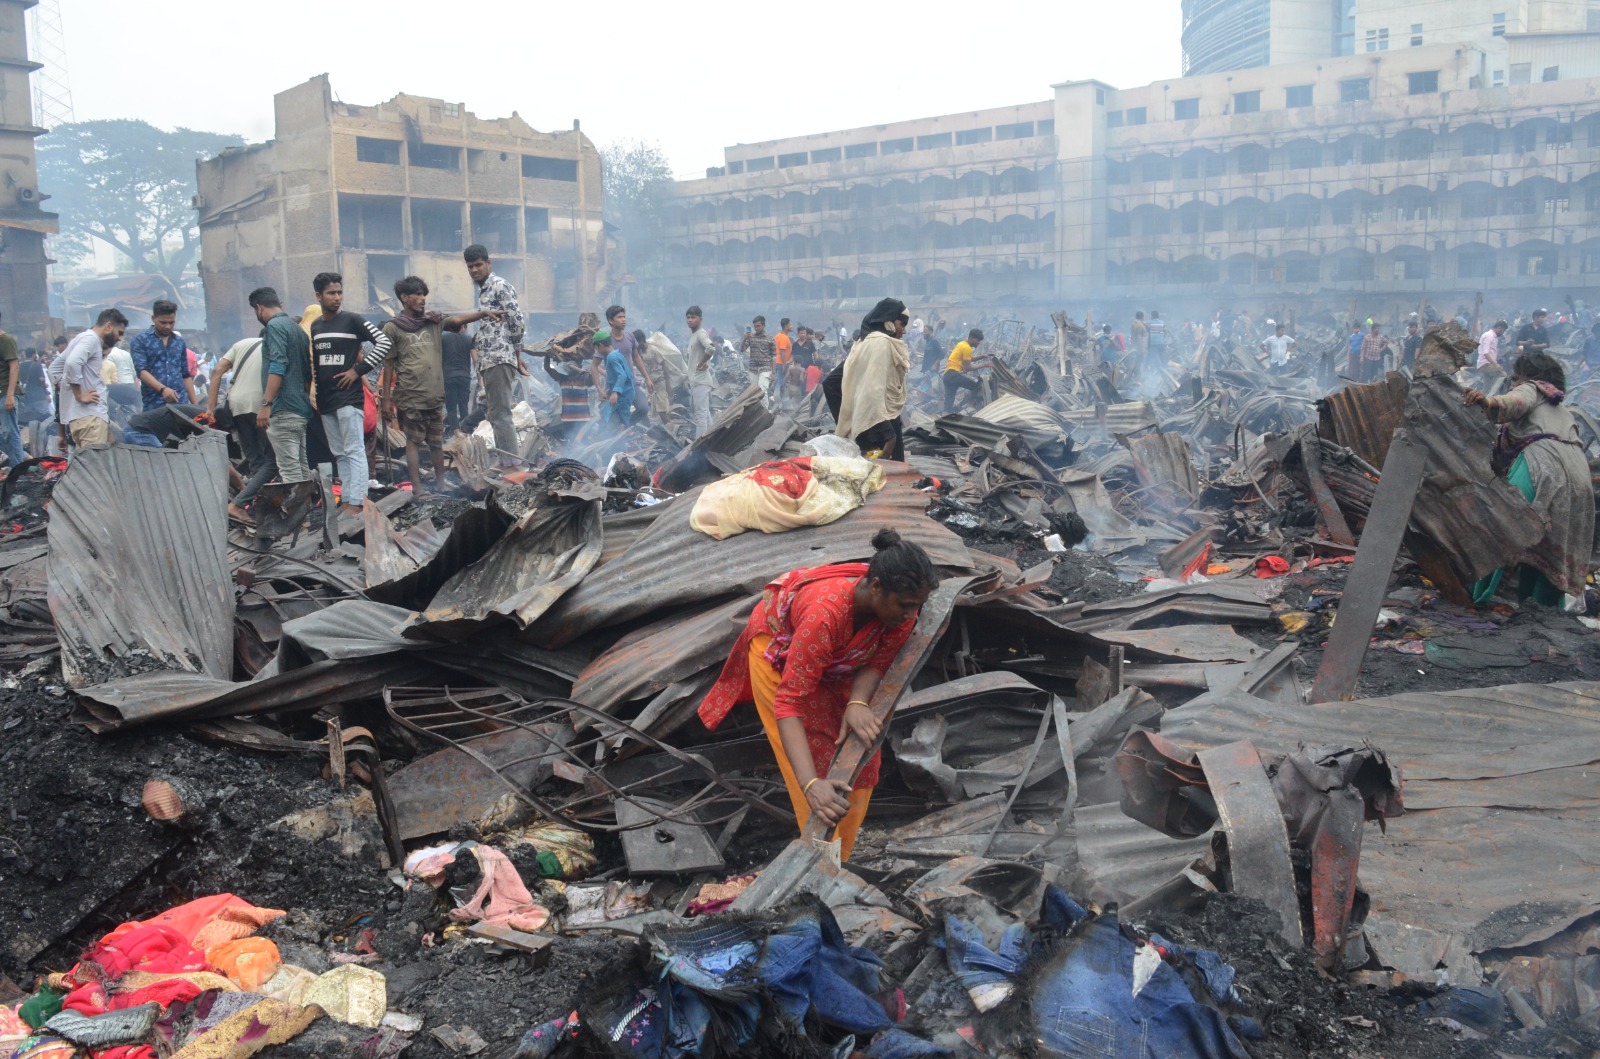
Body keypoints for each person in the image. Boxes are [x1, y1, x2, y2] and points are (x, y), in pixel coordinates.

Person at [697, 527, 939, 860]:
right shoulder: (826, 617)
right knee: (813, 762)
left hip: (834, 656)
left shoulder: (898, 615)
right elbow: (789, 702)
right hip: (780, 653)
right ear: (878, 588)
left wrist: (857, 702)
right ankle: (821, 858)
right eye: (906, 605)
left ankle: (841, 856)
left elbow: (878, 662)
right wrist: (812, 784)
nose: (911, 615)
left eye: (917, 607)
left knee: (861, 753)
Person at [1464, 352, 1594, 606]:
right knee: (1552, 546)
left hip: (1542, 463)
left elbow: (1515, 402)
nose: (1513, 382)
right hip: (1579, 475)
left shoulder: (1533, 388)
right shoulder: (1562, 409)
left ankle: (1478, 596)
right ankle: (1540, 609)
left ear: (1529, 377)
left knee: (1503, 524)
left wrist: (1488, 401)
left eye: (1516, 377)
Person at [381, 275, 501, 489]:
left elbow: (456, 321)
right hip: (410, 395)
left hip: (435, 395)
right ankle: (417, 488)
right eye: (417, 294)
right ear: (404, 297)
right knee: (413, 442)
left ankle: (440, 483)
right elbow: (388, 365)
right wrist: (386, 401)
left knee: (437, 443)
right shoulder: (393, 328)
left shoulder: (433, 322)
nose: (422, 299)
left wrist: (482, 313)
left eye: (424, 294)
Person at [309, 272, 391, 516]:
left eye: (339, 292)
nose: (336, 298)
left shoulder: (353, 320)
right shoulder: (316, 326)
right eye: (331, 293)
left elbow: (384, 343)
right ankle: (346, 499)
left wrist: (358, 370)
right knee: (339, 453)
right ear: (319, 296)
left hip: (349, 398)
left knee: (354, 450)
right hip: (326, 401)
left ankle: (358, 501)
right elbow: (316, 364)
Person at [465, 244, 527, 466]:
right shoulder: (483, 291)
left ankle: (512, 465)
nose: (474, 270)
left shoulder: (499, 285)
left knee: (500, 415)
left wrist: (517, 354)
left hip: (499, 358)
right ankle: (507, 461)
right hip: (491, 360)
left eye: (478, 265)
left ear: (488, 264)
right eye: (470, 266)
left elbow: (517, 321)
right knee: (495, 413)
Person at [206, 334, 275, 521]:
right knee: (274, 462)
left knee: (255, 461)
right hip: (261, 405)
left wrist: (210, 408)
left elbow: (217, 371)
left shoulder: (241, 343)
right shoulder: (275, 344)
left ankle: (254, 507)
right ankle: (239, 504)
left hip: (236, 406)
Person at [250, 287, 314, 484]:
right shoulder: (298, 330)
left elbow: (278, 366)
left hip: (283, 409)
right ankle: (305, 514)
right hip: (300, 409)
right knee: (302, 468)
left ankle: (298, 515)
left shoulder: (274, 327)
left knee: (290, 471)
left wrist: (265, 404)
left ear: (259, 308)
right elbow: (307, 374)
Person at [836, 298, 911, 459]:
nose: (903, 330)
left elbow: (832, 383)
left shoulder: (864, 341)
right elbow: (873, 389)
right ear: (888, 321)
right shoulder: (880, 343)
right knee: (888, 473)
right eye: (902, 324)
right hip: (879, 422)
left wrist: (849, 415)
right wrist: (888, 435)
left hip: (875, 417)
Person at [58, 309, 129, 449]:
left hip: (79, 418)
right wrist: (79, 394)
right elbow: (72, 363)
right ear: (108, 326)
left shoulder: (79, 338)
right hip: (91, 418)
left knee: (86, 467)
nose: (120, 338)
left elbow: (55, 370)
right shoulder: (91, 339)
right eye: (119, 332)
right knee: (95, 466)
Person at [130, 300, 197, 412]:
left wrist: (195, 406)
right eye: (163, 322)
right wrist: (163, 389)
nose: (167, 326)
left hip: (180, 403)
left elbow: (185, 375)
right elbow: (142, 372)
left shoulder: (179, 342)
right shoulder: (140, 340)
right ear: (153, 318)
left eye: (171, 323)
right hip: (154, 403)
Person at [942, 328, 991, 413]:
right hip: (954, 375)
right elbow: (968, 368)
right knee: (977, 386)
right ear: (971, 337)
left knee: (948, 404)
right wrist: (985, 364)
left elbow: (968, 359)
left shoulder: (962, 344)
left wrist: (983, 356)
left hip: (947, 376)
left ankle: (944, 417)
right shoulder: (967, 348)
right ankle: (970, 405)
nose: (979, 342)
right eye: (977, 340)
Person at [0, 312, 27, 468]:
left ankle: (18, 471)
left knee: (10, 432)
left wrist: (10, 394)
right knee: (5, 434)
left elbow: (14, 367)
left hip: (6, 393)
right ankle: (24, 458)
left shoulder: (6, 340)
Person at [595, 330, 635, 431]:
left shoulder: (611, 357)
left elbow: (622, 375)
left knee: (610, 416)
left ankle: (620, 438)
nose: (597, 351)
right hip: (627, 391)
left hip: (623, 394)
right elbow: (618, 374)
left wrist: (615, 393)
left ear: (600, 345)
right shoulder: (616, 353)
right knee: (619, 416)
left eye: (596, 348)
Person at [685, 305, 715, 436]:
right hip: (697, 380)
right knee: (706, 414)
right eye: (688, 317)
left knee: (700, 415)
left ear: (700, 319)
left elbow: (711, 348)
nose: (690, 320)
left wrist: (702, 362)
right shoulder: (694, 335)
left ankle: (699, 445)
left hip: (700, 380)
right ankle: (713, 440)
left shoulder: (700, 333)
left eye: (693, 317)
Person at [441, 321, 474, 432]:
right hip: (465, 377)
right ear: (462, 327)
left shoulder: (443, 339)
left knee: (451, 407)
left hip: (448, 377)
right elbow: (475, 359)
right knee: (463, 406)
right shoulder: (468, 339)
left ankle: (455, 432)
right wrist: (480, 379)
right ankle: (465, 431)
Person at [18, 348, 50, 454]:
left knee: (31, 422)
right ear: (34, 355)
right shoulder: (37, 365)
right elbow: (41, 380)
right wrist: (46, 393)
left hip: (27, 398)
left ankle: (32, 447)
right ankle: (45, 447)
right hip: (39, 397)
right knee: (47, 421)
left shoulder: (20, 366)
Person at [740, 315, 777, 392]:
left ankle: (764, 405)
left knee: (762, 391)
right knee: (754, 392)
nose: (756, 328)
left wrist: (773, 373)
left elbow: (773, 356)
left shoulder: (770, 338)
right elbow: (742, 350)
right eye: (755, 326)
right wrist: (745, 339)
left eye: (758, 326)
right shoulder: (750, 337)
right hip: (753, 369)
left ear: (763, 326)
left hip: (765, 369)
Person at [772, 317, 793, 402]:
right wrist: (785, 364)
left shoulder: (778, 335)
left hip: (779, 362)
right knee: (780, 381)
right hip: (781, 363)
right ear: (786, 326)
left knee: (780, 380)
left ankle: (778, 398)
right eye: (790, 324)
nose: (791, 326)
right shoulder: (783, 337)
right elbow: (782, 351)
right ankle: (776, 398)